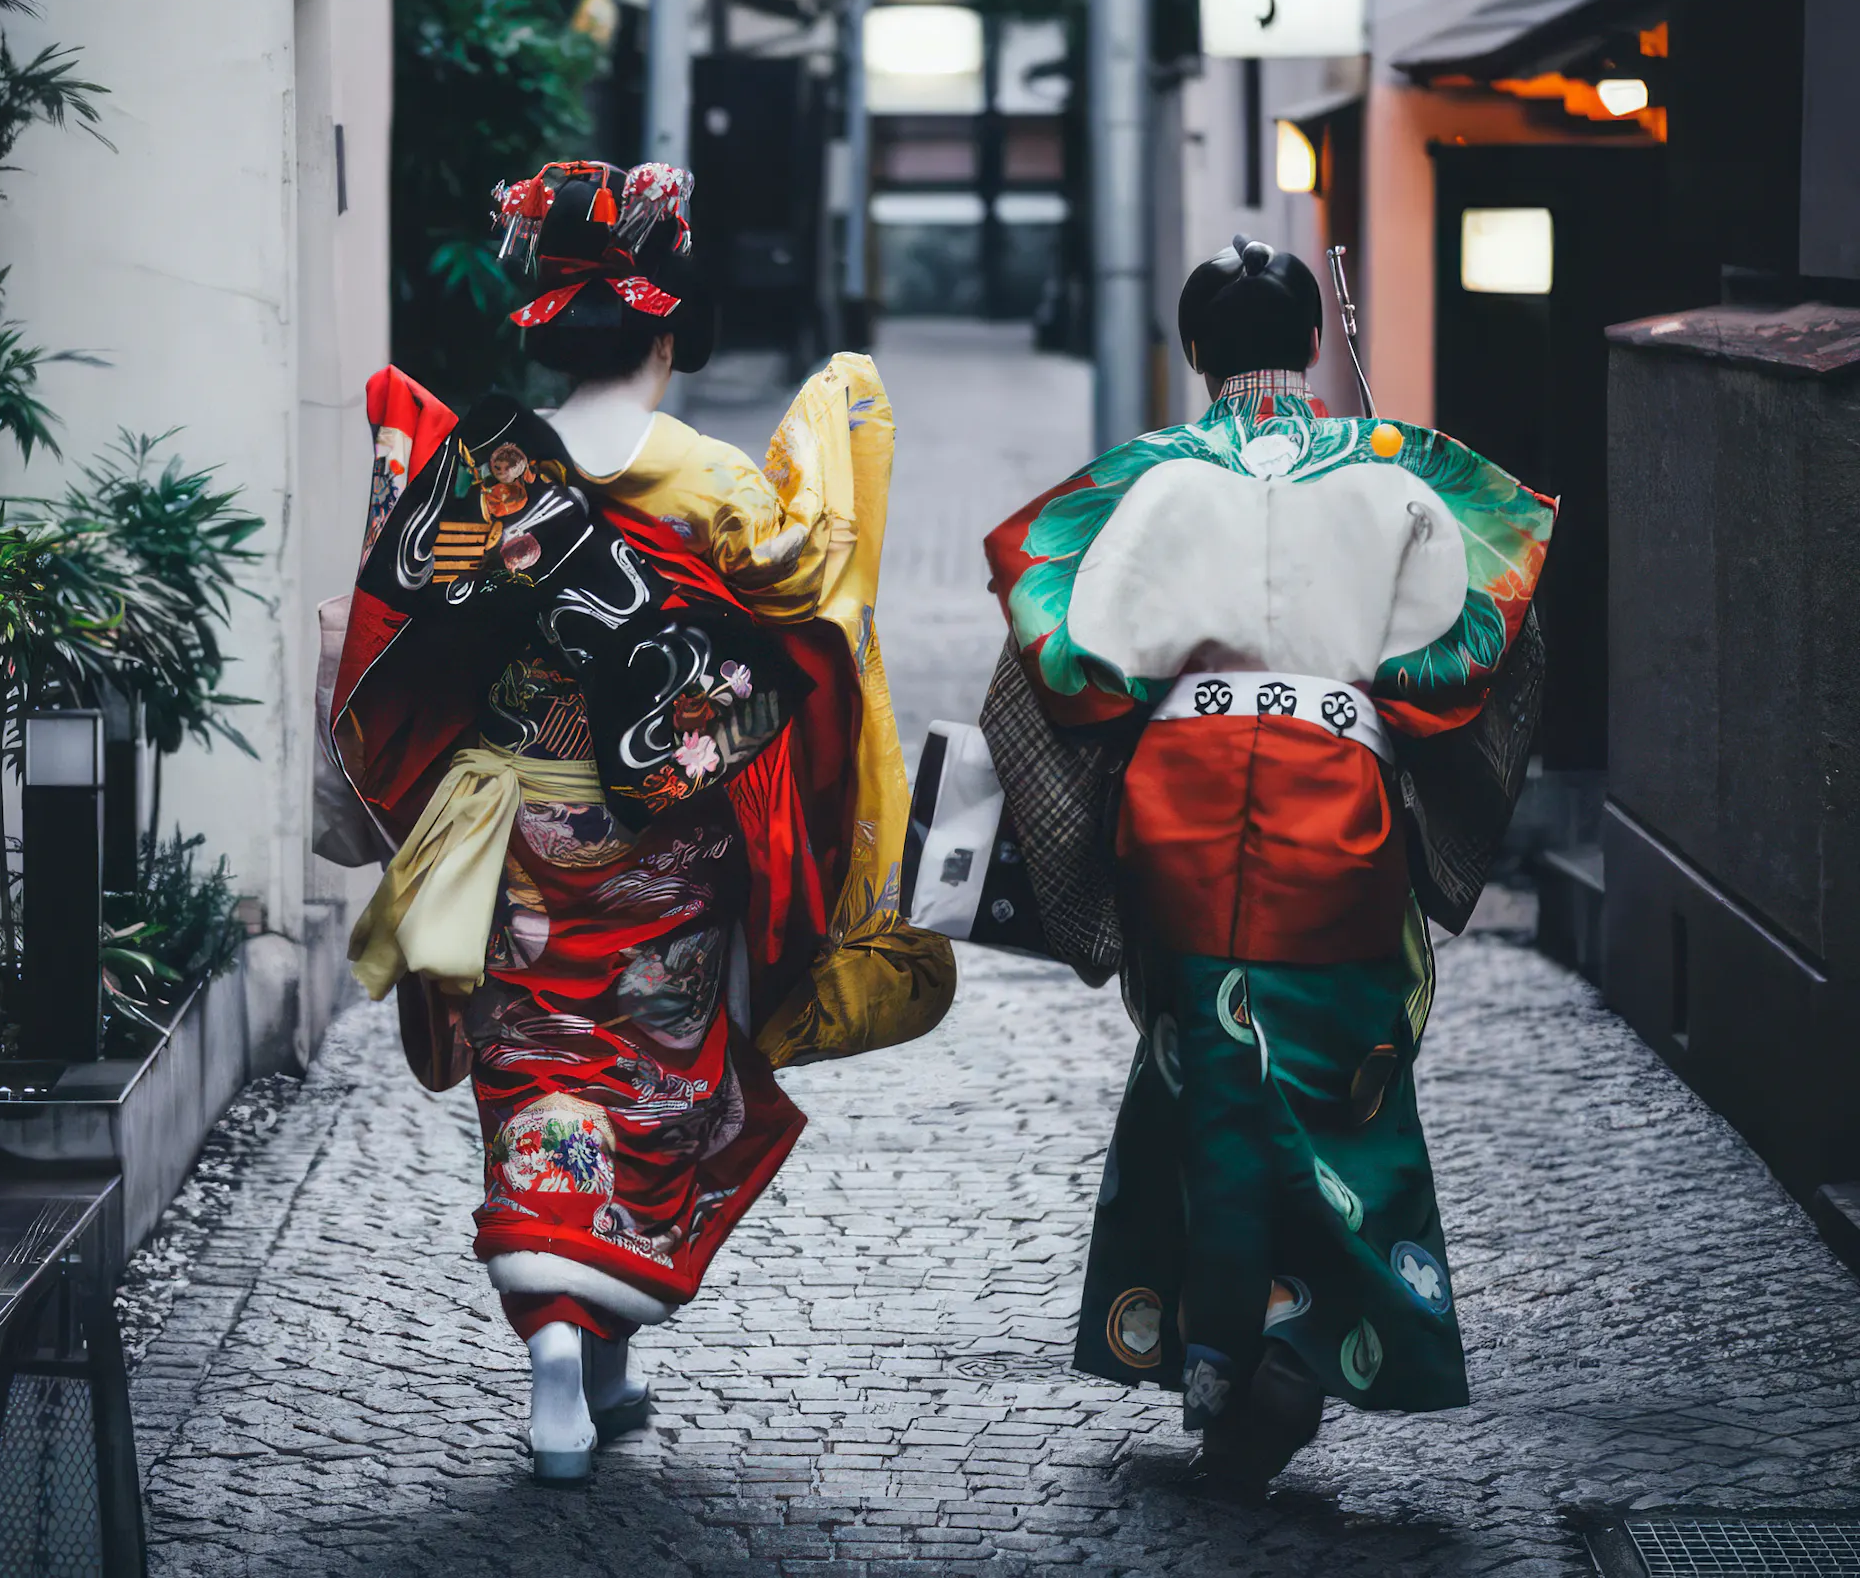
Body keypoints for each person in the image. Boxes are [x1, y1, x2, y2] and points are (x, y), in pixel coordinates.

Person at [317, 160, 955, 1483]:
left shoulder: (485, 478)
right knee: (653, 1076)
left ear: (548, 330)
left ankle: (575, 1357)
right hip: (667, 844)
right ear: (666, 331)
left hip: (512, 839)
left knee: (543, 1069)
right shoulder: (711, 482)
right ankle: (591, 1343)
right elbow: (808, 609)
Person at [975, 237, 1553, 1492]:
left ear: (1195, 353)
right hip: (1334, 789)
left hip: (1181, 799)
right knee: (1343, 1073)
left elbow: (1072, 656)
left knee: (1207, 1062)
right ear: (1307, 350)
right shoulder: (1397, 473)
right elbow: (1466, 652)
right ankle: (1312, 1339)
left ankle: (1218, 1344)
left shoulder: (1156, 479)